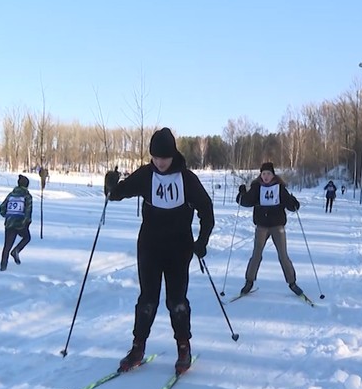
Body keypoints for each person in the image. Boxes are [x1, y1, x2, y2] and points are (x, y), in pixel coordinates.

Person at [104, 127, 214, 375]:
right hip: (149, 246)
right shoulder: (146, 175)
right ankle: (137, 347)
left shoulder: (187, 179)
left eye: (164, 157)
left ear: (173, 155)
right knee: (147, 300)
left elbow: (206, 210)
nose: (160, 162)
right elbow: (118, 193)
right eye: (155, 157)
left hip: (179, 247)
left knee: (176, 301)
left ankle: (183, 347)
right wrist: (111, 185)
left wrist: (202, 240)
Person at [236, 161, 303, 297]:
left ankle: (292, 283)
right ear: (261, 175)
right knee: (256, 254)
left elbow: (290, 205)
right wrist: (242, 194)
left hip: (277, 226)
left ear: (273, 175)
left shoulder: (279, 187)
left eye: (268, 174)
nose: (266, 176)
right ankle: (249, 281)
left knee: (283, 255)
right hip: (261, 226)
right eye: (264, 173)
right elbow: (246, 201)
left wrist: (294, 203)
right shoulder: (256, 187)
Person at [0, 174, 33, 271]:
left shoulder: (11, 195)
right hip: (20, 223)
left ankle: (3, 267)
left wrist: (8, 216)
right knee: (27, 237)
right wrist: (27, 222)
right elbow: (28, 211)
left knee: (6, 246)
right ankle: (16, 250)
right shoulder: (27, 196)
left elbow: (1, 208)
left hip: (9, 224)